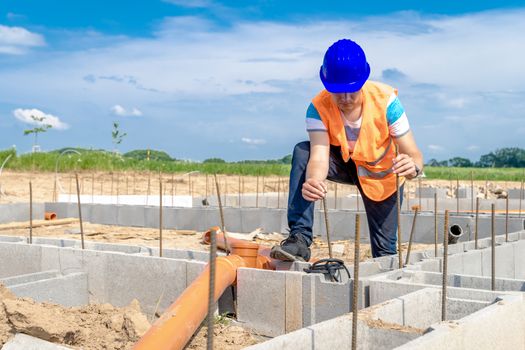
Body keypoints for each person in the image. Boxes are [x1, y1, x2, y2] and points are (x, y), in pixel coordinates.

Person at [270, 38, 423, 262]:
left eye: (351, 90)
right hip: (343, 164)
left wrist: (413, 167)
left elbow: (414, 154)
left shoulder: (387, 103)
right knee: (303, 151)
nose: (345, 98)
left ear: (363, 80)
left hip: (381, 175)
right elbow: (319, 156)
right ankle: (299, 239)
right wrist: (313, 181)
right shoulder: (317, 108)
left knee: (385, 253)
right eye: (337, 91)